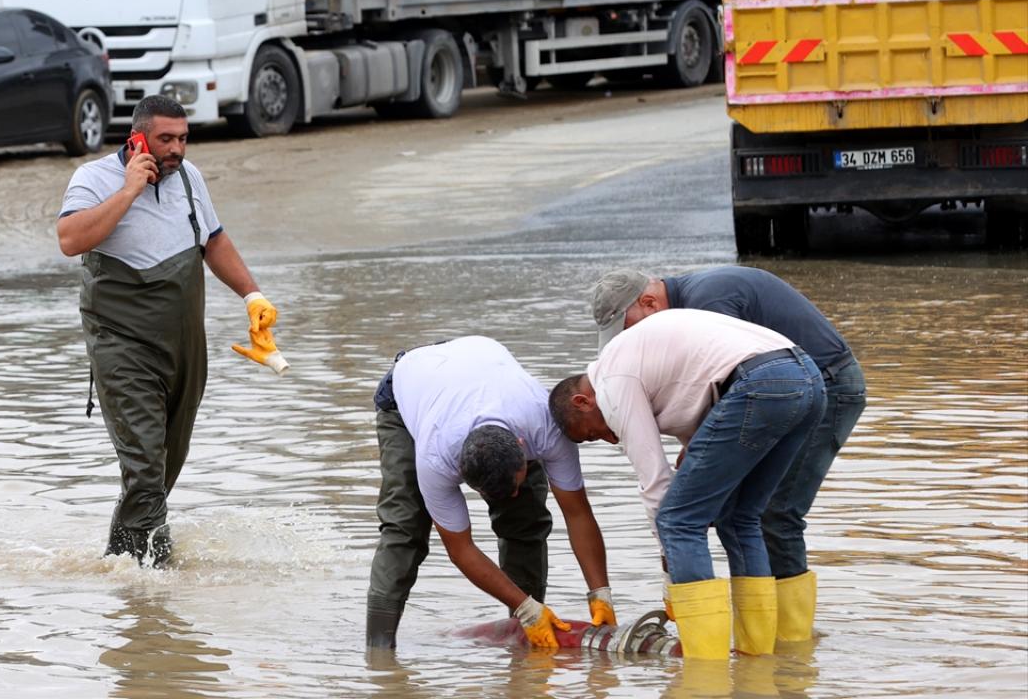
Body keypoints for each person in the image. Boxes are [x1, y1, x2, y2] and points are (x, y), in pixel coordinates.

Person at [57, 95, 280, 566]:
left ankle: (120, 568)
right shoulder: (93, 178)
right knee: (145, 470)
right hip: (122, 345)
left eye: (183, 138)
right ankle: (159, 574)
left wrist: (252, 296)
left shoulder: (189, 177)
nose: (176, 149)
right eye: (165, 139)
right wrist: (129, 190)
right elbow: (70, 240)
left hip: (184, 348)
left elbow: (213, 240)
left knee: (161, 471)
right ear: (137, 138)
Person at [590, 266, 865, 642]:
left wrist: (673, 561)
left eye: (627, 327)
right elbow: (715, 384)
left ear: (649, 302)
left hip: (827, 382)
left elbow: (735, 376)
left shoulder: (710, 300)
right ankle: (770, 647)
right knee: (742, 514)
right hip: (794, 380)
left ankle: (783, 639)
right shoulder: (691, 300)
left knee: (771, 514)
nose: (628, 340)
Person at [549, 309, 826, 660]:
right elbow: (698, 412)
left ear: (582, 402)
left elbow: (655, 484)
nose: (609, 439)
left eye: (593, 433)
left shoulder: (612, 381)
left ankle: (705, 667)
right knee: (740, 518)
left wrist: (672, 580)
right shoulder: (636, 361)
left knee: (677, 521)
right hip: (807, 380)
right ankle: (763, 656)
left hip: (761, 384)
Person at [366, 336, 613, 651]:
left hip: (473, 366)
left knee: (525, 518)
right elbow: (461, 549)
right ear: (461, 471)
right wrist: (526, 607)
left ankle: (526, 641)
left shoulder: (546, 428)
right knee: (405, 528)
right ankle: (378, 652)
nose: (511, 495)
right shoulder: (436, 458)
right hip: (408, 390)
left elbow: (577, 513)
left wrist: (600, 592)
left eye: (514, 484)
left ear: (523, 449)